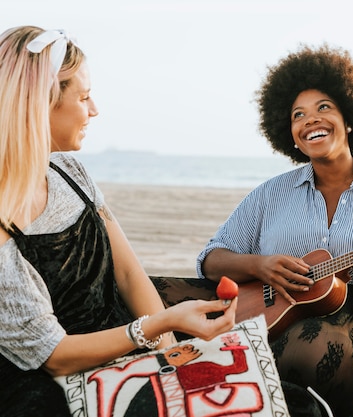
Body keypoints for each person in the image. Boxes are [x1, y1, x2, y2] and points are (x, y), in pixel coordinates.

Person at [196, 44, 353, 417]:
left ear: (349, 118)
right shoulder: (271, 193)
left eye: (323, 107)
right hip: (278, 307)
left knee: (307, 353)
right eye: (299, 115)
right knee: (163, 292)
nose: (311, 120)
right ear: (291, 133)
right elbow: (212, 259)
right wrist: (259, 266)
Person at [0, 25, 237, 416]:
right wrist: (157, 326)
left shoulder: (72, 174)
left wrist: (172, 357)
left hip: (127, 350)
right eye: (84, 97)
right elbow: (54, 356)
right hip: (50, 386)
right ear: (40, 104)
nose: (94, 110)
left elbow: (129, 277)